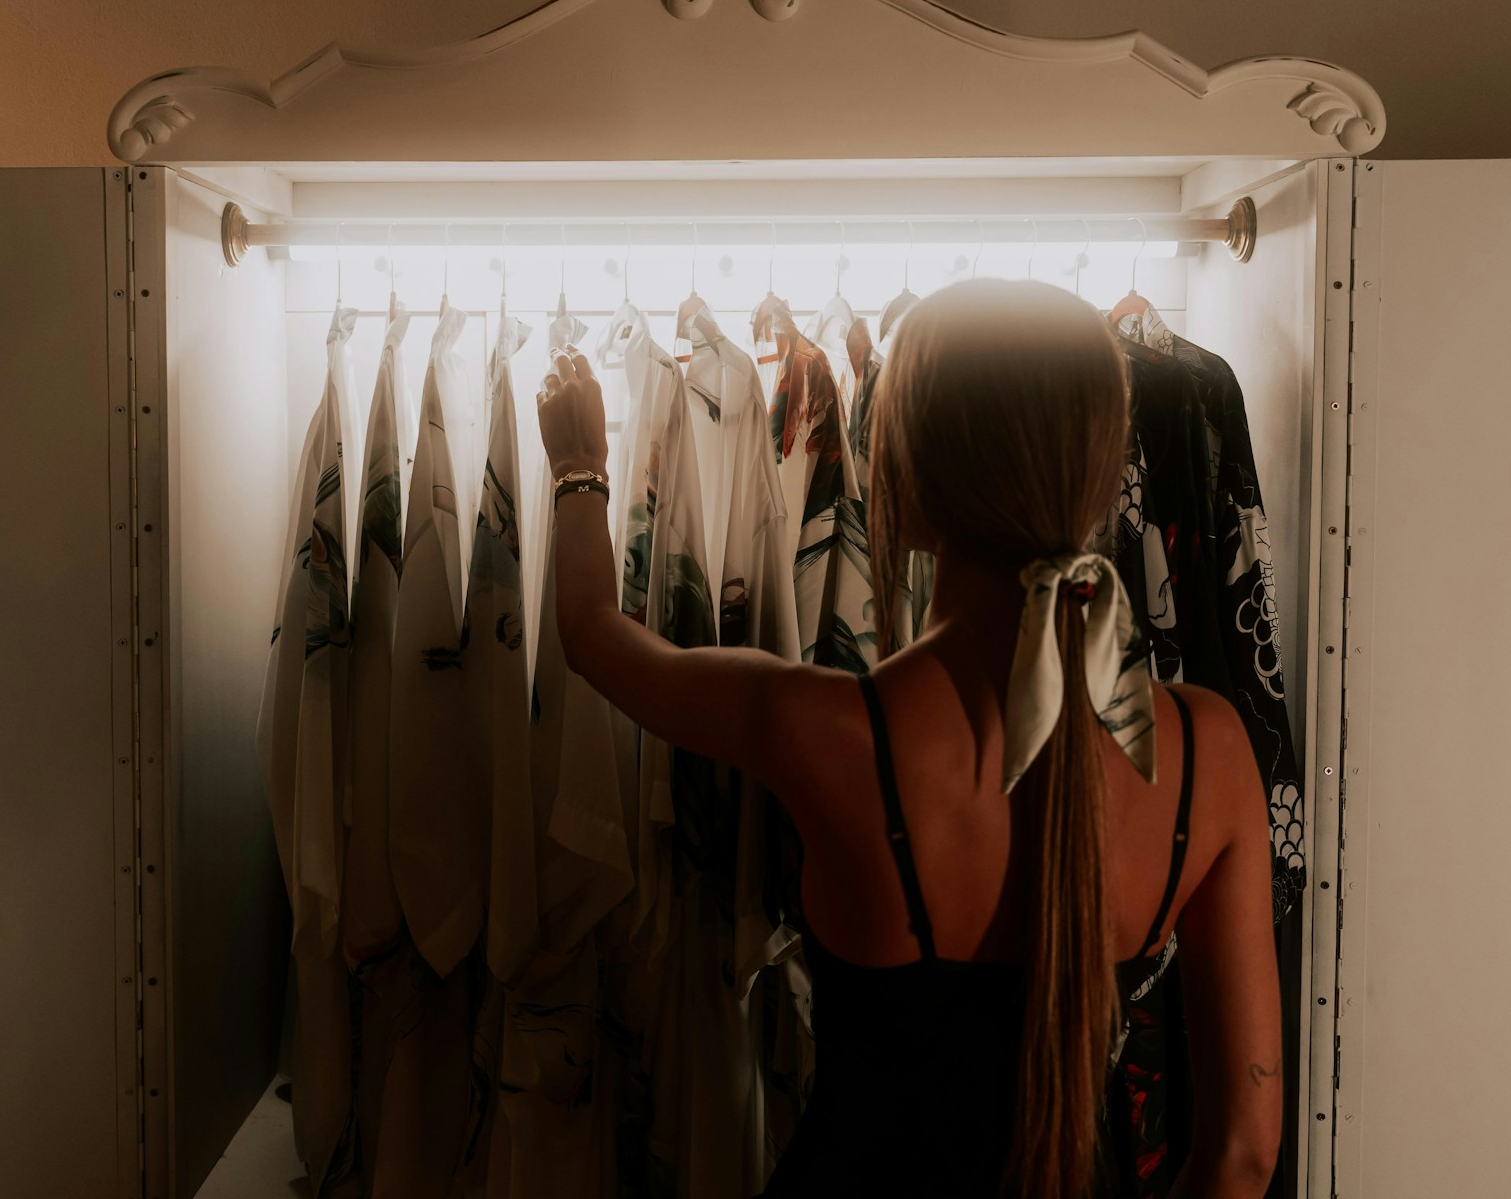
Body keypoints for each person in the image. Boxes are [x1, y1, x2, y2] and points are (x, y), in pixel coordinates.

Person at [535, 279, 1281, 1198]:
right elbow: (1244, 1154)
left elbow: (593, 636)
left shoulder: (827, 730)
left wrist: (579, 467)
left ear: (916, 478)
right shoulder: (1208, 753)